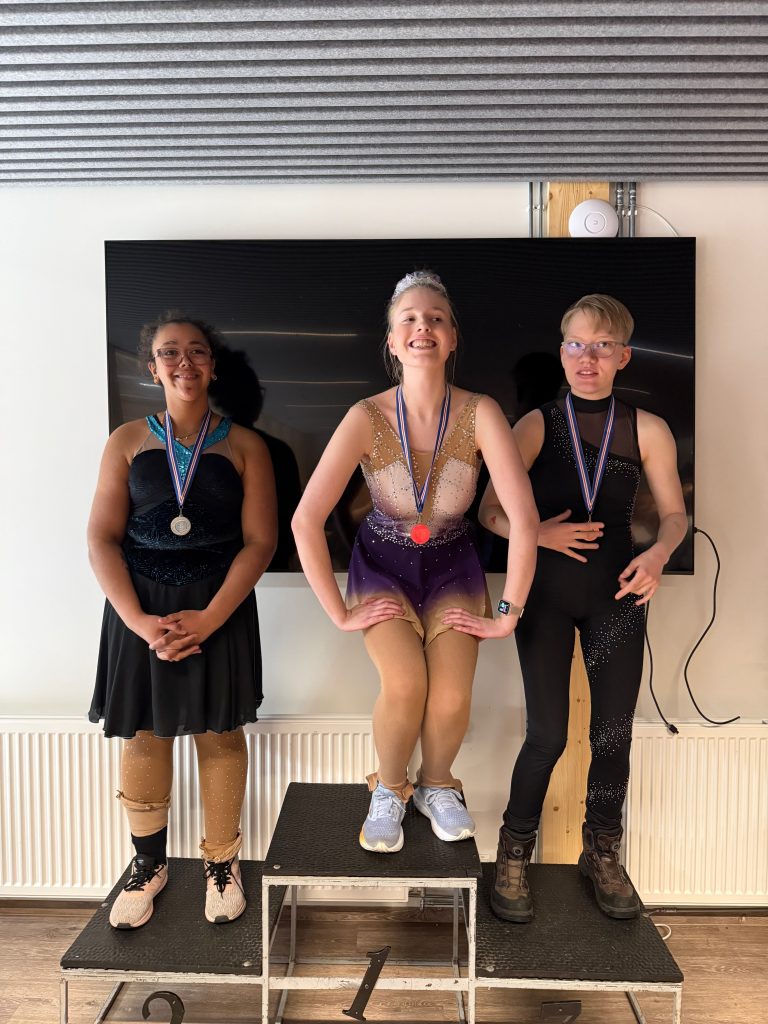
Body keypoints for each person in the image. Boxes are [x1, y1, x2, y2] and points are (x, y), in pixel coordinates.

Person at [292, 271, 538, 853]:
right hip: (383, 570)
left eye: (435, 318)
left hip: (454, 569)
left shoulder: (481, 412)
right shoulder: (365, 416)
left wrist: (509, 613)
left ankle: (436, 786)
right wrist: (337, 612)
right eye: (409, 319)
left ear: (452, 338)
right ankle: (389, 787)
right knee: (405, 685)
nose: (422, 327)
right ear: (392, 341)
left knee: (451, 697)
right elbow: (305, 520)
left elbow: (524, 520)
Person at [480, 294, 687, 921]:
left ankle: (601, 850)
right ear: (562, 351)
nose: (587, 358)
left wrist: (658, 557)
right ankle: (514, 851)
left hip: (617, 595)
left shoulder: (648, 428)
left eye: (602, 346)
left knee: (612, 734)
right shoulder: (535, 425)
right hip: (544, 595)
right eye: (576, 344)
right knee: (546, 734)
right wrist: (538, 534)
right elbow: (489, 512)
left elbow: (675, 516)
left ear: (623, 356)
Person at [87, 312, 277, 928]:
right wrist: (141, 622)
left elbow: (261, 543)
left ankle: (222, 864)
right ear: (152, 368)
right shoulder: (125, 440)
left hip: (219, 606)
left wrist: (212, 618)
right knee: (145, 733)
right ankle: (148, 865)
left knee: (219, 734)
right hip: (138, 607)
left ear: (213, 366)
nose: (184, 362)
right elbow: (101, 538)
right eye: (170, 352)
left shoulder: (247, 446)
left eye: (197, 351)